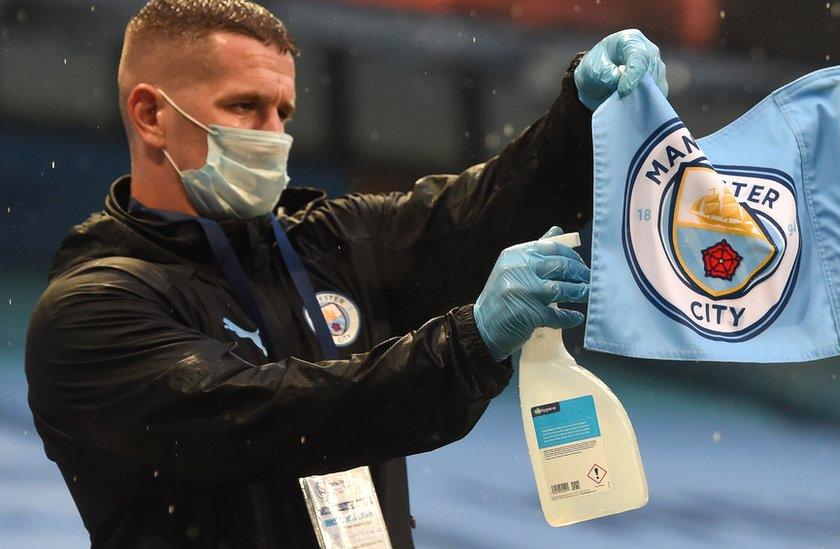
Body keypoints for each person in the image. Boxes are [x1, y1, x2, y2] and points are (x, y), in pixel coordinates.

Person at [24, 0, 667, 547]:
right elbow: (270, 420)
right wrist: (469, 341)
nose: (273, 135)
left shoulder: (322, 241)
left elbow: (475, 216)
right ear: (150, 115)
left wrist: (580, 116)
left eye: (284, 112)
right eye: (245, 106)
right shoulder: (91, 312)